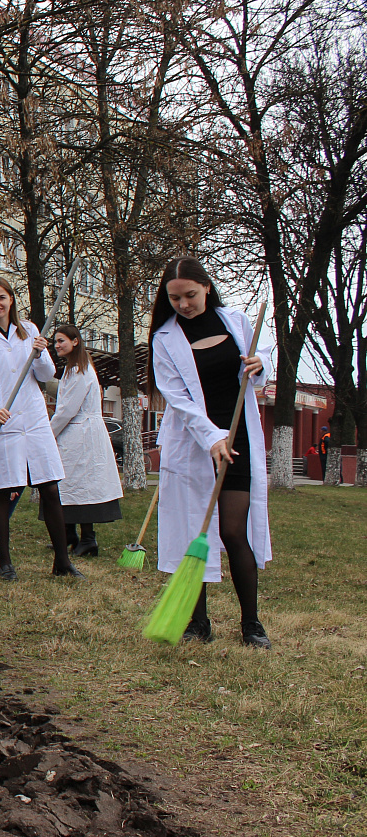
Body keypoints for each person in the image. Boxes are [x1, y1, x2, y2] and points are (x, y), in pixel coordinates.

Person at [149, 257, 272, 647]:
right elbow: (178, 400)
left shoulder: (235, 320)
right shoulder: (164, 338)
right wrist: (211, 437)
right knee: (191, 531)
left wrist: (260, 364)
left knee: (234, 530)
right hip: (193, 444)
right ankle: (197, 622)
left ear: (206, 287)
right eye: (174, 298)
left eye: (190, 295)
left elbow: (262, 364)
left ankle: (251, 624)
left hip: (239, 440)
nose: (183, 304)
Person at [0, 276, 82, 581]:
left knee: (49, 487)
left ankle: (62, 561)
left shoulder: (28, 330)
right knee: (3, 491)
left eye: (1, 298)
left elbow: (46, 373)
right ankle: (5, 564)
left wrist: (41, 351)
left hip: (33, 420)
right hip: (3, 424)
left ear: (11, 300)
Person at [41, 325, 123, 556]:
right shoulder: (72, 368)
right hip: (76, 433)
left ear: (75, 341)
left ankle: (88, 539)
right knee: (68, 484)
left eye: (61, 341)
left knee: (83, 485)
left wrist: (48, 434)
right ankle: (68, 534)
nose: (57, 345)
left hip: (82, 434)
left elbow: (67, 410)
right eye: (55, 342)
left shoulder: (79, 370)